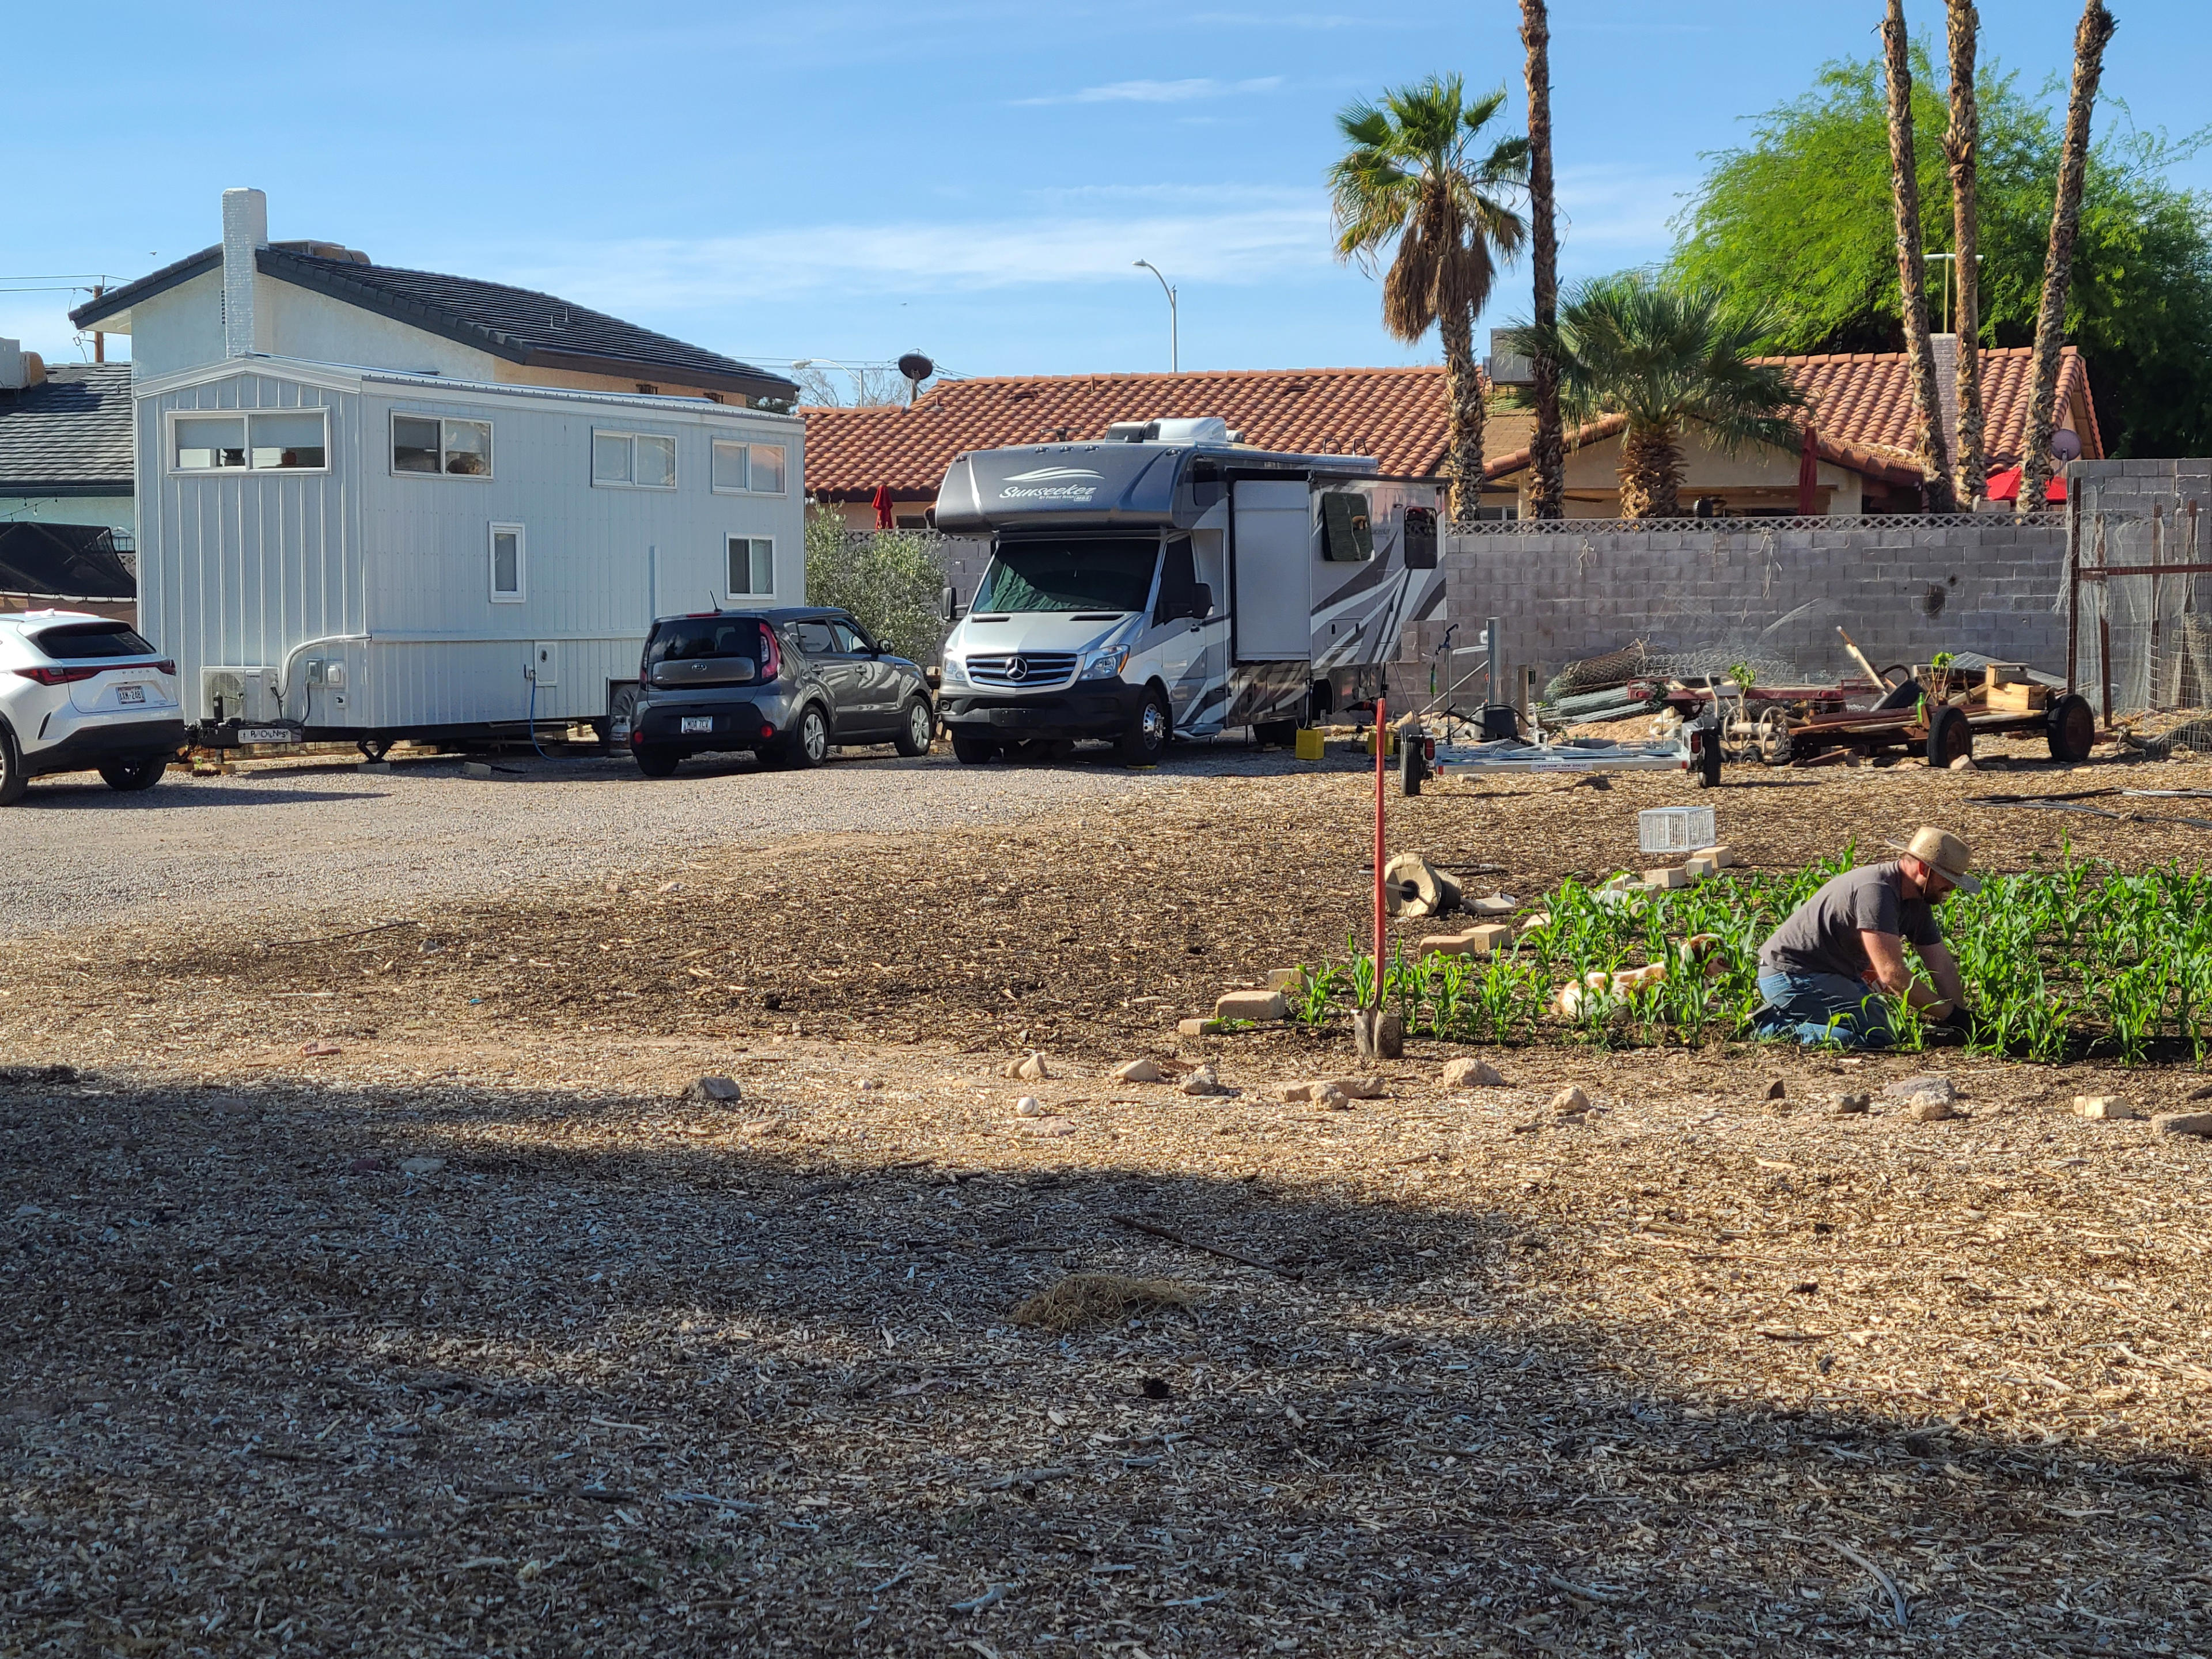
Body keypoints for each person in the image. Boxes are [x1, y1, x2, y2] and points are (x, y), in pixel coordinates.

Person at [1751, 827, 1976, 1048]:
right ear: (1923, 869)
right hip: (1792, 975)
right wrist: (1952, 1015)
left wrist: (1964, 1020)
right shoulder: (1877, 891)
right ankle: (1771, 1026)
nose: (1952, 888)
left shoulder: (1919, 900)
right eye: (1947, 878)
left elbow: (1941, 965)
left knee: (1884, 1026)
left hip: (1833, 975)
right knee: (1879, 1034)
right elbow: (1891, 973)